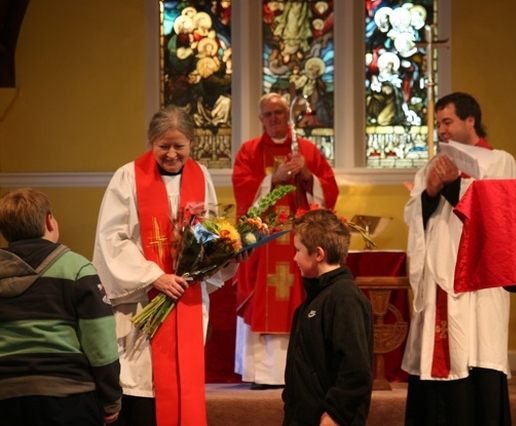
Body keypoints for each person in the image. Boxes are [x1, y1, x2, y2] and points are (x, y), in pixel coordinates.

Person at [93, 106, 244, 426]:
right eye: (164, 146)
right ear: (151, 142)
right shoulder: (127, 177)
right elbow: (112, 240)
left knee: (183, 384)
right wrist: (154, 276)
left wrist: (225, 252)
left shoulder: (200, 176)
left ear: (192, 142)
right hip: (143, 301)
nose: (172, 154)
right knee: (144, 387)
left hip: (185, 298)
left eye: (180, 146)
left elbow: (205, 231)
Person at [402, 92, 516, 425]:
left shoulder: (499, 161)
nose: (442, 131)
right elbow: (414, 218)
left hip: (478, 287)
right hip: (440, 282)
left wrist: (452, 187)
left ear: (470, 121)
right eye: (438, 124)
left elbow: (498, 216)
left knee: (476, 355)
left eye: (448, 122)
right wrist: (429, 193)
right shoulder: (432, 165)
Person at [233, 92, 339, 389]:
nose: (274, 119)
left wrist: (306, 175)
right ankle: (264, 374)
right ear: (260, 119)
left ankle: (300, 372)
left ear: (287, 116)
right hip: (264, 243)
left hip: (299, 243)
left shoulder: (306, 150)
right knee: (264, 298)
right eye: (268, 114)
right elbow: (243, 194)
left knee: (301, 299)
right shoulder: (249, 151)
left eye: (279, 113)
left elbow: (329, 191)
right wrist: (274, 179)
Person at [0, 188, 122, 426]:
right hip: (69, 397)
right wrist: (111, 400)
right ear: (49, 221)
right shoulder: (77, 268)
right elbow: (100, 343)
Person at [283, 208, 374, 425]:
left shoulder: (344, 298)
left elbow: (356, 370)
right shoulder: (312, 301)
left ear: (318, 254)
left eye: (298, 250)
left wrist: (334, 414)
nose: (294, 257)